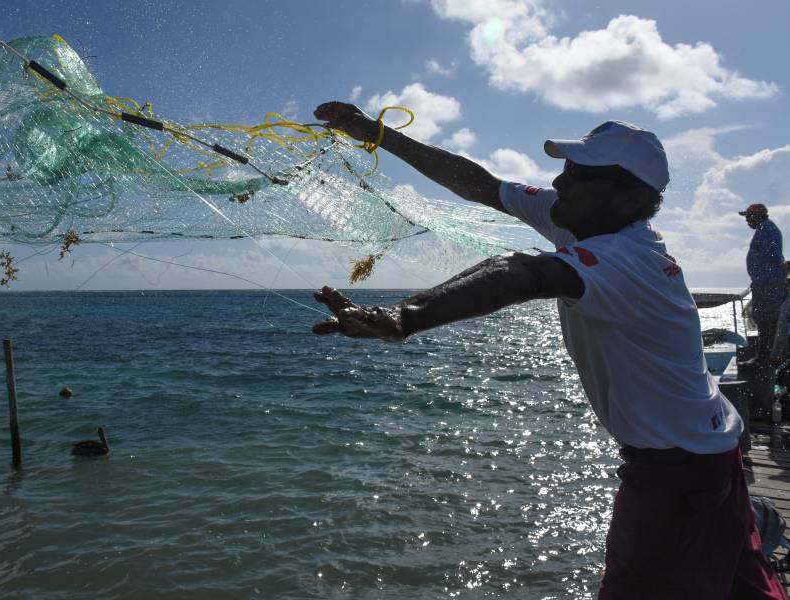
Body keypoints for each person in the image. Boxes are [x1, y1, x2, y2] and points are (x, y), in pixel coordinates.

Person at [310, 101, 786, 599]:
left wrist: (399, 318)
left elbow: (522, 272)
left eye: (580, 174)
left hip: (677, 476)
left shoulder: (626, 259)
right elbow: (479, 183)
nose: (562, 183)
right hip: (713, 445)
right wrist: (375, 132)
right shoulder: (584, 220)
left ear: (629, 198)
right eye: (566, 169)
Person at [741, 203, 786, 364]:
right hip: (765, 283)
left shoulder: (767, 229)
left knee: (766, 320)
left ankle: (765, 357)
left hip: (768, 284)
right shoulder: (765, 229)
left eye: (748, 216)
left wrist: (765, 278)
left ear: (757, 216)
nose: (747, 220)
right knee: (765, 320)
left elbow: (773, 255)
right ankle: (768, 356)